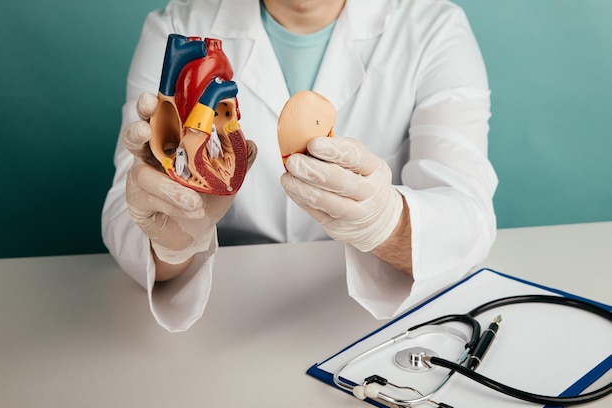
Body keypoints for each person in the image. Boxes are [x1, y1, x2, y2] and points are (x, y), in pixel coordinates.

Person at [102, 0, 498, 332]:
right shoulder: (178, 26)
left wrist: (387, 222)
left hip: (368, 323)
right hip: (224, 315)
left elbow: (467, 216)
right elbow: (126, 208)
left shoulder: (433, 28)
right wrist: (171, 244)